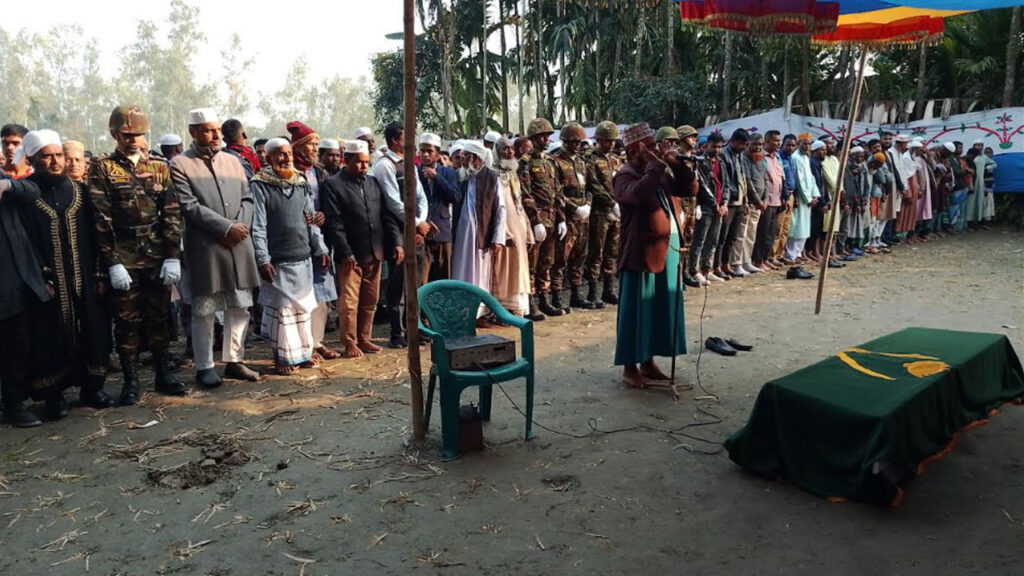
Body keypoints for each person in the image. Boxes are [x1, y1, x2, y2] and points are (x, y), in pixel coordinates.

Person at [1, 130, 114, 418]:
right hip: (46, 282)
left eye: (58, 155)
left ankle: (92, 388)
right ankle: (53, 396)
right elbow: (23, 242)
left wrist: (100, 273)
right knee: (49, 335)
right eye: (46, 156)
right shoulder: (24, 196)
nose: (55, 162)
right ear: (32, 160)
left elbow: (98, 235)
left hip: (84, 277)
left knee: (91, 329)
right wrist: (41, 276)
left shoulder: (80, 192)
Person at [89, 105, 186, 404]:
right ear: (114, 134)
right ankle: (131, 380)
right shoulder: (103, 168)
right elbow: (101, 218)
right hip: (124, 254)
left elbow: (171, 211)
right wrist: (113, 262)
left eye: (139, 134)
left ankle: (163, 373)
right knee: (127, 321)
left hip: (156, 253)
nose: (133, 140)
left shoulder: (158, 167)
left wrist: (173, 254)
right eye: (127, 135)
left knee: (159, 316)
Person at [171, 108, 261, 388]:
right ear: (193, 132)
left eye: (217, 130)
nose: (215, 135)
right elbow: (189, 206)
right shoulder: (180, 164)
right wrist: (225, 228)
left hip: (238, 243)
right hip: (207, 246)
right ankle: (205, 366)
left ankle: (235, 360)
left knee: (240, 306)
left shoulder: (233, 161)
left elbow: (248, 198)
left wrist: (240, 226)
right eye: (208, 130)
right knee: (205, 309)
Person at [612, 123, 688, 389]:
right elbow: (637, 194)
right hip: (640, 254)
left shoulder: (660, 172)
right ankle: (629, 367)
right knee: (637, 312)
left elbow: (688, 189)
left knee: (658, 310)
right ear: (636, 149)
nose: (657, 150)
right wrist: (656, 166)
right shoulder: (625, 175)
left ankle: (648, 362)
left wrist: (675, 163)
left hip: (667, 250)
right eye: (651, 146)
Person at [250, 139, 331, 374]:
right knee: (283, 310)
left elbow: (311, 220)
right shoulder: (259, 184)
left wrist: (321, 248)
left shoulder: (301, 182)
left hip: (302, 256)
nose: (286, 159)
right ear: (268, 158)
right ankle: (283, 358)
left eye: (288, 154)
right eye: (280, 154)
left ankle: (303, 354)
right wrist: (263, 258)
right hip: (278, 259)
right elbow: (258, 225)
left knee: (303, 308)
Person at [322, 140, 403, 358]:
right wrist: (345, 252)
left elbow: (386, 215)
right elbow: (334, 223)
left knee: (370, 300)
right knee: (349, 302)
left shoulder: (373, 183)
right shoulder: (333, 185)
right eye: (358, 162)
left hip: (375, 251)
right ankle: (350, 342)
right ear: (346, 160)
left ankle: (364, 338)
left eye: (366, 162)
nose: (363, 166)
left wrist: (396, 242)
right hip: (350, 255)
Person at [0, 169, 53, 426]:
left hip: (14, 277)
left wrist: (7, 186)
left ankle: (14, 404)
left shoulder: (3, 180)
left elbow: (32, 191)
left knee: (17, 345)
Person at [372, 121, 428, 349]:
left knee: (416, 282)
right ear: (395, 140)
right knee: (398, 284)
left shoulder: (409, 164)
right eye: (408, 136)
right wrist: (417, 224)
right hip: (397, 232)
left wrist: (421, 222)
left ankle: (415, 328)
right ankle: (398, 333)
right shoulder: (384, 166)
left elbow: (421, 196)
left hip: (416, 230)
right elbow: (394, 203)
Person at [287, 121, 339, 360]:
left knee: (321, 293)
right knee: (300, 296)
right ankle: (301, 345)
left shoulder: (319, 172)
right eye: (311, 145)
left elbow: (328, 200)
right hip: (297, 240)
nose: (315, 149)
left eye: (317, 144)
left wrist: (323, 214)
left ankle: (317, 342)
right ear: (298, 147)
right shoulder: (287, 172)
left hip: (321, 238)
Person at [451, 141, 506, 325]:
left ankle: (478, 313)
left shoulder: (492, 177)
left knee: (480, 275)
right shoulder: (461, 176)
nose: (462, 158)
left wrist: (497, 238)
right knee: (460, 271)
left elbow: (500, 209)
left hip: (482, 235)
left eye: (465, 155)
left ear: (475, 158)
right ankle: (461, 312)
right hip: (461, 236)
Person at [518, 118, 565, 317]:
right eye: (542, 136)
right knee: (532, 263)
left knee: (547, 261)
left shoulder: (550, 162)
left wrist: (561, 218)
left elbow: (558, 192)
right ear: (533, 138)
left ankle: (544, 299)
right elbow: (525, 194)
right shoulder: (525, 162)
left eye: (547, 136)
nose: (546, 140)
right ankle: (530, 303)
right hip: (536, 220)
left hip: (552, 218)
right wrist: (535, 221)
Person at [492, 137, 534, 317]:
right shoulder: (493, 174)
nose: (509, 152)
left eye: (511, 148)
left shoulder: (513, 173)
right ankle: (501, 310)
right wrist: (504, 232)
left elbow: (519, 202)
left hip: (518, 225)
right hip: (504, 229)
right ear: (497, 151)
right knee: (503, 269)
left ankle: (515, 308)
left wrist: (528, 229)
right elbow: (495, 206)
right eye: (504, 149)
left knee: (519, 266)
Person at [551, 122, 591, 311]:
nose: (577, 145)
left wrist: (588, 204)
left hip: (583, 216)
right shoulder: (556, 162)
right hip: (567, 216)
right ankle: (557, 297)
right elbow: (557, 192)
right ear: (565, 141)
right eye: (573, 142)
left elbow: (589, 188)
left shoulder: (581, 162)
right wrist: (574, 208)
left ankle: (576, 294)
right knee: (561, 259)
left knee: (580, 257)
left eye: (579, 142)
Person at [584, 121, 621, 306]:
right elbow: (594, 185)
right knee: (596, 253)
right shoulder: (590, 159)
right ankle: (593, 292)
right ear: (598, 140)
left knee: (612, 253)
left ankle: (609, 289)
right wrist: (611, 203)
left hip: (616, 211)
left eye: (613, 141)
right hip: (599, 212)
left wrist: (618, 204)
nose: (611, 144)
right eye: (607, 141)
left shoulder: (615, 159)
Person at [417, 133, 458, 283]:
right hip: (422, 232)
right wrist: (426, 221)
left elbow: (455, 197)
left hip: (443, 232)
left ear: (438, 154)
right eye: (422, 151)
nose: (425, 155)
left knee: (444, 279)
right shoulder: (414, 173)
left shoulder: (448, 173)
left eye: (429, 151)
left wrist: (436, 177)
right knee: (421, 280)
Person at [689, 132, 726, 284]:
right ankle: (694, 270)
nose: (716, 150)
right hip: (705, 206)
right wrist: (714, 203)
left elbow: (726, 184)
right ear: (707, 146)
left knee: (713, 240)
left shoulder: (721, 162)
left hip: (719, 207)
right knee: (700, 240)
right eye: (714, 146)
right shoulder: (700, 162)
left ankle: (707, 269)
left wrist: (724, 203)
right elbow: (703, 186)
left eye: (719, 147)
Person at [784, 133, 819, 279]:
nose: (807, 146)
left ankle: (798, 253)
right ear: (799, 144)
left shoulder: (806, 158)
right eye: (804, 143)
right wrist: (807, 198)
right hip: (801, 198)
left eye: (809, 144)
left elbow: (811, 178)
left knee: (804, 228)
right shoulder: (796, 158)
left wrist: (815, 195)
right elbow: (799, 180)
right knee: (796, 227)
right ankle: (791, 254)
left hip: (808, 199)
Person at [716, 128, 748, 279]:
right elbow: (725, 181)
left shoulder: (740, 155)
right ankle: (716, 266)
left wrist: (746, 200)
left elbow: (742, 179)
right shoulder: (724, 155)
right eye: (741, 144)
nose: (743, 147)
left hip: (740, 201)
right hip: (729, 202)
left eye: (745, 144)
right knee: (722, 236)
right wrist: (724, 202)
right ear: (732, 141)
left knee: (733, 236)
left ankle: (726, 264)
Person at [755, 130, 784, 271]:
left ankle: (766, 259)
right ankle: (758, 260)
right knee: (762, 232)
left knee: (771, 234)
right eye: (775, 140)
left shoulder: (777, 157)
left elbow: (781, 178)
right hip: (767, 200)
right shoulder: (761, 157)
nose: (778, 143)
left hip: (777, 200)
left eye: (779, 140)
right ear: (767, 141)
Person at [739, 133, 767, 273]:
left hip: (759, 204)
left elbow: (765, 180)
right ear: (748, 144)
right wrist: (758, 200)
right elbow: (748, 182)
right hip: (749, 203)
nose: (758, 147)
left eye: (760, 144)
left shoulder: (761, 159)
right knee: (742, 234)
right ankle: (739, 263)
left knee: (751, 234)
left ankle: (747, 261)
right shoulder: (744, 159)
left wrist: (765, 199)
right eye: (755, 144)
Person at [771, 134, 798, 264]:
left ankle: (780, 254)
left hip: (791, 195)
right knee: (778, 227)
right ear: (783, 145)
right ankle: (772, 255)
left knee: (786, 228)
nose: (790, 148)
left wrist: (795, 196)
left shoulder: (791, 159)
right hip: (782, 196)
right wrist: (785, 196)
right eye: (788, 145)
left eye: (793, 145)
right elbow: (782, 179)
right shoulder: (779, 158)